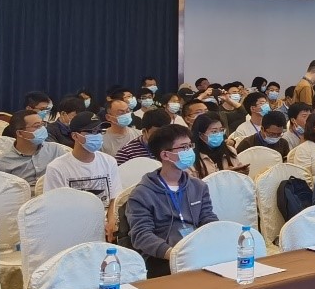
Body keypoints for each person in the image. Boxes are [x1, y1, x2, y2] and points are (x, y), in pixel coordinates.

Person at [123, 124, 217, 277]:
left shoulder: (198, 186)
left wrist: (213, 240)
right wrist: (174, 254)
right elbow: (141, 235)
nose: (189, 151)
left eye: (190, 146)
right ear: (165, 155)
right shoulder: (141, 194)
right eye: (183, 147)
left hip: (198, 251)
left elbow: (208, 219)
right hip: (161, 258)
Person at [43, 113, 121, 209]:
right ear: (75, 136)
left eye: (100, 131)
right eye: (92, 131)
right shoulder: (56, 168)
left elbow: (115, 200)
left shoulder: (109, 162)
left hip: (105, 216)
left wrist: (111, 218)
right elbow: (54, 205)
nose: (97, 135)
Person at [0, 109, 67, 184]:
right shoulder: (1, 163)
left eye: (43, 124)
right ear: (20, 133)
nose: (42, 129)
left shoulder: (56, 150)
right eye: (37, 126)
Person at [189, 112, 242, 178]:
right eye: (214, 132)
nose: (219, 134)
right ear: (201, 135)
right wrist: (224, 175)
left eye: (221, 130)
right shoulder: (192, 158)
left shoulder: (230, 150)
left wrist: (242, 174)